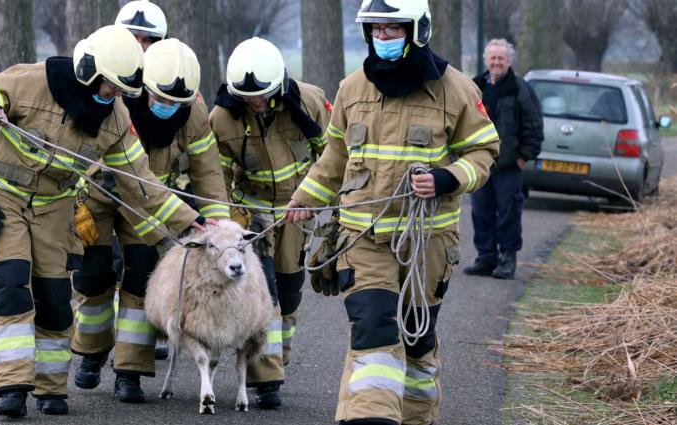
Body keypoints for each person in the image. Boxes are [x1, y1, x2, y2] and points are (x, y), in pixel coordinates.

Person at [0, 25, 209, 418]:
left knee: (55, 298)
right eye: (110, 87)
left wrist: (191, 222)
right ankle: (12, 385)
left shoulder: (116, 118)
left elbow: (142, 181)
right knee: (11, 283)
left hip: (55, 207)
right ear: (89, 69)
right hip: (4, 197)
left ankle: (51, 388)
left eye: (122, 91)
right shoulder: (31, 80)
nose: (115, 96)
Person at [285, 1, 500, 424]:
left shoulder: (456, 90)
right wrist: (304, 199)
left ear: (417, 30)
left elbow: (484, 151)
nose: (382, 39)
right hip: (362, 239)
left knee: (417, 341)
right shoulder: (352, 88)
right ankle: (371, 418)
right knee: (373, 328)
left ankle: (416, 416)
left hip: (427, 244)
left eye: (392, 30)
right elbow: (335, 156)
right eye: (376, 31)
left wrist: (447, 178)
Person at [70, 37, 229, 403]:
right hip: (101, 195)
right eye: (159, 98)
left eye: (175, 103)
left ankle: (130, 371)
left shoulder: (193, 113)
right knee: (93, 274)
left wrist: (218, 230)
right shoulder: (119, 99)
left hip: (149, 205)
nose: (165, 107)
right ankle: (92, 352)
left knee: (142, 279)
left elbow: (209, 175)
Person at [210, 36, 331, 409]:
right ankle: (266, 377)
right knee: (264, 294)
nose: (256, 103)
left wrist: (318, 203)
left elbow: (336, 156)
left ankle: (278, 354)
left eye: (262, 95)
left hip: (298, 213)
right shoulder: (222, 119)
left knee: (290, 292)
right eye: (248, 98)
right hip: (252, 218)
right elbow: (214, 175)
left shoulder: (310, 102)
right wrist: (223, 225)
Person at [464, 38, 543, 280]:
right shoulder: (474, 87)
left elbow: (533, 125)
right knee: (481, 212)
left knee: (509, 213)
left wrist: (524, 156)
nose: (497, 62)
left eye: (501, 58)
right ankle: (486, 257)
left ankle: (508, 258)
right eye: (493, 58)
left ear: (509, 61)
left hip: (509, 166)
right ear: (486, 60)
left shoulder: (520, 88)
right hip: (479, 165)